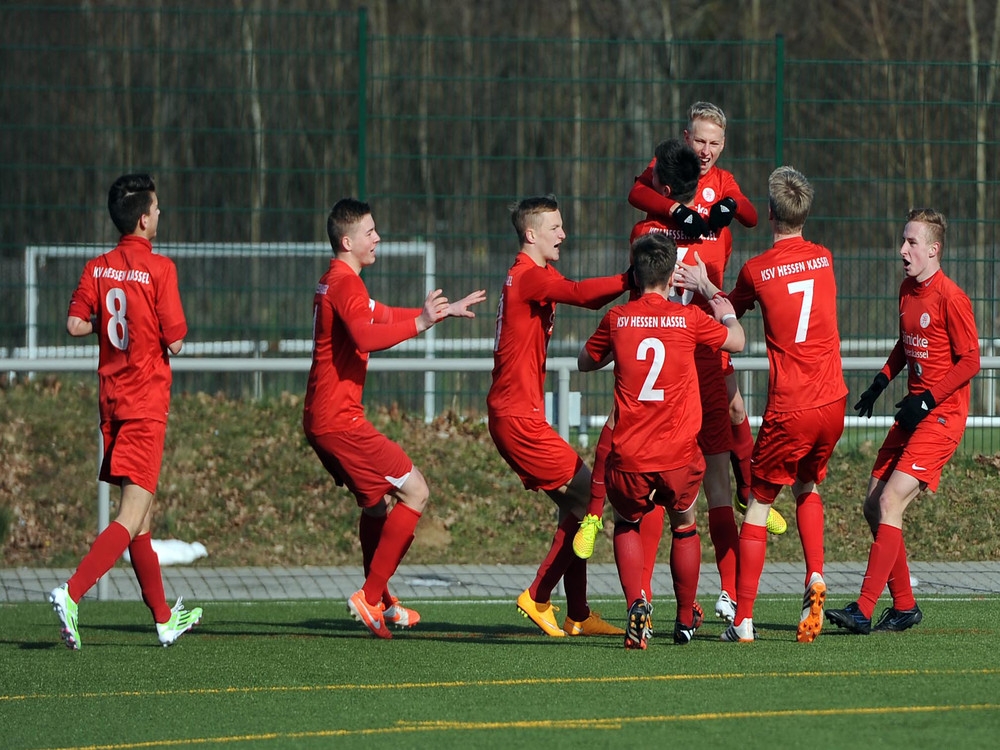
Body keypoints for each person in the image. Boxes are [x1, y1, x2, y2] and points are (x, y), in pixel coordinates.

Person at [676, 166, 847, 643]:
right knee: (808, 486)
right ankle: (815, 575)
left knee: (758, 506)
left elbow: (729, 313)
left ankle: (744, 620)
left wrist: (705, 286)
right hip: (833, 401)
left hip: (792, 407)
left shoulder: (757, 270)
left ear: (770, 213)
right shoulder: (825, 259)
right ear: (805, 214)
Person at [303, 198, 486, 639]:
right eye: (369, 232)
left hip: (323, 418)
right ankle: (369, 596)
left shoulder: (335, 281)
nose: (377, 238)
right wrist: (420, 324)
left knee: (376, 505)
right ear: (347, 241)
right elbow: (366, 335)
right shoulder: (345, 283)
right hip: (339, 421)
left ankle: (381, 599)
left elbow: (380, 315)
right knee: (417, 490)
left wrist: (435, 315)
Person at [49, 173, 203, 650]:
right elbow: (176, 341)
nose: (159, 215)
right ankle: (72, 592)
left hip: (112, 403)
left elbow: (75, 324)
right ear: (143, 220)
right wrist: (149, 325)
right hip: (144, 403)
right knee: (131, 514)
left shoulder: (98, 267)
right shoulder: (160, 268)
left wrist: (113, 323)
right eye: (155, 209)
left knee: (142, 521)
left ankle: (163, 619)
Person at [579, 232, 745, 649]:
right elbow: (738, 341)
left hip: (630, 454)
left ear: (635, 276)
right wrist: (722, 306)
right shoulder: (688, 319)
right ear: (673, 277)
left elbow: (585, 362)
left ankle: (637, 603)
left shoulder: (617, 319)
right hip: (678, 454)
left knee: (627, 523)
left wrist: (618, 347)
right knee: (684, 526)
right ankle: (685, 618)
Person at [626, 101, 783, 540]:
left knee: (735, 408)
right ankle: (612, 510)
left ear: (724, 144)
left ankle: (749, 492)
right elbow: (636, 193)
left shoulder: (722, 181)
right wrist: (676, 211)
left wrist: (729, 205)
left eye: (714, 142)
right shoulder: (669, 173)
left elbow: (751, 215)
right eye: (699, 140)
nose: (705, 150)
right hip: (668, 327)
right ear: (685, 137)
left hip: (708, 325)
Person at [826, 208, 980, 635]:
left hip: (942, 417)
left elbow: (971, 361)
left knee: (890, 502)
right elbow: (906, 342)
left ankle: (862, 608)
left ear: (934, 249)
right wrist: (881, 381)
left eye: (912, 243)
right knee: (872, 505)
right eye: (903, 241)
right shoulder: (907, 290)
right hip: (913, 413)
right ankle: (905, 606)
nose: (902, 250)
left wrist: (927, 400)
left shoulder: (952, 297)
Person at [489, 194, 628, 638]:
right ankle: (538, 595)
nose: (563, 234)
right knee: (589, 497)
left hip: (519, 413)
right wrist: (631, 277)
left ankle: (578, 614)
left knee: (576, 503)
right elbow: (582, 295)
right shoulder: (528, 276)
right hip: (517, 418)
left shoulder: (536, 273)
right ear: (531, 235)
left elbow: (574, 289)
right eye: (555, 228)